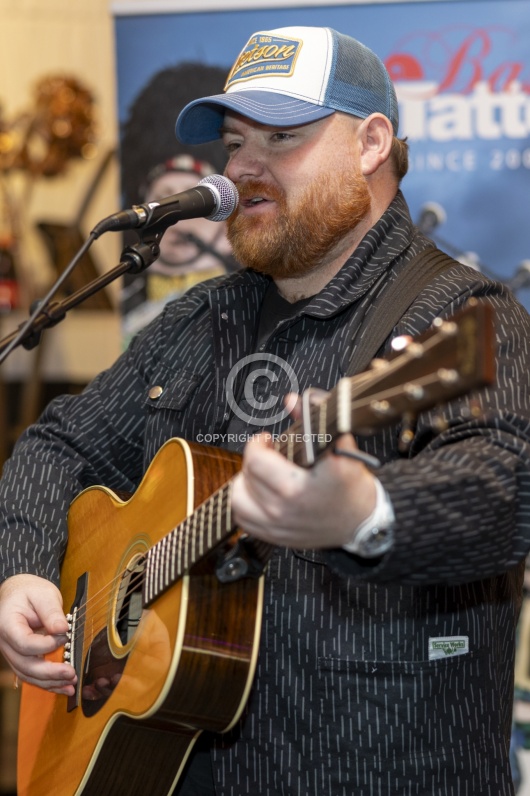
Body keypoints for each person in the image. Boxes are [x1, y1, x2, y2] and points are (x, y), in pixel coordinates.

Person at [1, 24, 530, 796]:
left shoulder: (463, 321)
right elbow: (57, 446)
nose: (243, 167)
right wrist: (21, 572)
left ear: (372, 142)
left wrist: (365, 512)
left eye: (281, 137)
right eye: (234, 141)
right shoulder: (194, 321)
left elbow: (507, 487)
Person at [121, 153, 236, 342]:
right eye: (162, 201)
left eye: (195, 205)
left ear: (224, 224)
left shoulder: (248, 300)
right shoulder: (126, 305)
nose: (177, 219)